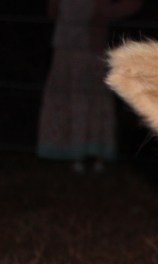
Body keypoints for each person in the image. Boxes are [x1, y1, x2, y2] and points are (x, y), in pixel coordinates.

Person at [37, 0, 142, 172]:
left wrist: (104, 15)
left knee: (88, 99)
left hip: (87, 49)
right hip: (68, 48)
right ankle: (76, 151)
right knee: (78, 98)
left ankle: (91, 152)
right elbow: (53, 11)